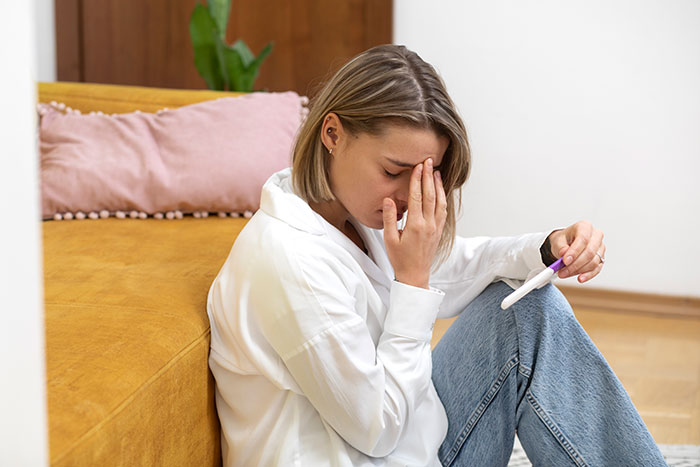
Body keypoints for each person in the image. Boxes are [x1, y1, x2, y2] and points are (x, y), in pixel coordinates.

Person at [206, 44, 667, 466]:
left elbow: (447, 268)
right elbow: (377, 430)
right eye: (393, 171)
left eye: (425, 175)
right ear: (332, 133)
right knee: (521, 319)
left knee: (529, 310)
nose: (409, 196)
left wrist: (547, 247)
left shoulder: (344, 210)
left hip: (414, 442)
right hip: (381, 447)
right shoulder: (290, 262)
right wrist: (410, 281)